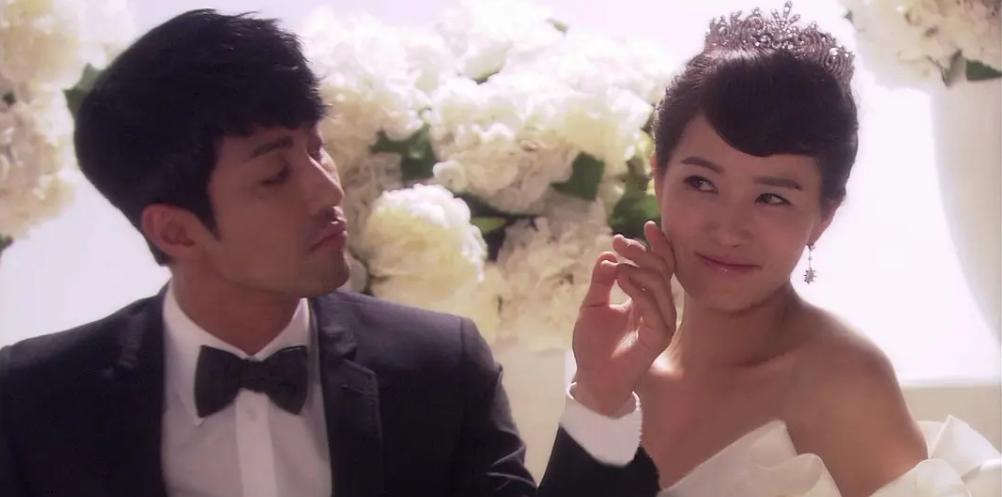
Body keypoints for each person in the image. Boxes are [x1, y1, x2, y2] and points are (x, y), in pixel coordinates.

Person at [0, 10, 539, 496]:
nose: (328, 190)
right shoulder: (33, 402)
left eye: (317, 148)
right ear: (175, 231)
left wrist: (587, 406)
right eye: (276, 174)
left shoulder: (439, 368)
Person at [538, 3, 1001, 497]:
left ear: (824, 215)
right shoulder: (621, 367)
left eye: (772, 198)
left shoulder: (843, 386)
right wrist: (598, 396)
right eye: (701, 182)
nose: (729, 229)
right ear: (658, 176)